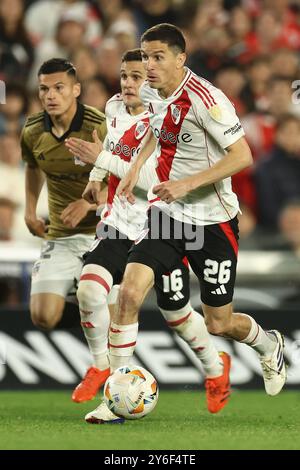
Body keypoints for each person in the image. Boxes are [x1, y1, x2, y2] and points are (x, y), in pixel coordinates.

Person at [101, 24, 286, 403]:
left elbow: (243, 156)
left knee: (219, 322)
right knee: (129, 294)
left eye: (158, 57)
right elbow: (157, 126)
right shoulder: (152, 91)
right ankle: (114, 395)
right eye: (145, 56)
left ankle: (268, 344)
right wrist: (136, 165)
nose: (148, 65)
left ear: (180, 58)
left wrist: (188, 183)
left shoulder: (209, 100)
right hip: (169, 214)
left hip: (213, 220)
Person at [65, 49, 231, 423]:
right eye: (125, 76)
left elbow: (156, 182)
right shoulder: (113, 108)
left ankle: (215, 369)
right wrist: (94, 180)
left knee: (176, 311)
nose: (128, 84)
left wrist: (101, 163)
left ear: (154, 80)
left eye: (137, 77)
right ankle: (104, 373)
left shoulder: (167, 119)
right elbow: (110, 147)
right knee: (91, 289)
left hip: (163, 223)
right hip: (121, 223)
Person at [20, 58, 107, 331]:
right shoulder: (33, 131)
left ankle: (87, 295)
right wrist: (30, 210)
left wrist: (88, 204)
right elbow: (33, 168)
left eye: (59, 88)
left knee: (114, 318)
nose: (51, 95)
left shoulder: (99, 126)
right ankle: (77, 292)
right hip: (62, 234)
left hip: (105, 234)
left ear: (76, 90)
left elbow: (125, 179)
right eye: (44, 89)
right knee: (42, 317)